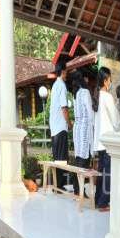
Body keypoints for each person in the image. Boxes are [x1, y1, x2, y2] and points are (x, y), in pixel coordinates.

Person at [93, 67, 120, 212]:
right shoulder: (107, 97)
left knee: (101, 173)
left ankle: (98, 199)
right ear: (105, 80)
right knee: (108, 173)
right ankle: (103, 203)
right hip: (108, 141)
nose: (110, 82)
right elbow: (115, 120)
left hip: (99, 141)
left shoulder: (96, 96)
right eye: (109, 80)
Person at [49, 61, 71, 190]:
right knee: (62, 158)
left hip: (54, 127)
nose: (67, 73)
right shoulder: (62, 85)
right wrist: (69, 123)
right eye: (66, 71)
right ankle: (60, 185)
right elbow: (64, 108)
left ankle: (56, 185)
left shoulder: (54, 85)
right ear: (63, 71)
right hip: (61, 126)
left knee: (57, 157)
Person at [71, 70, 94, 196]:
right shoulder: (85, 92)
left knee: (78, 158)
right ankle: (80, 190)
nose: (87, 80)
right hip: (84, 128)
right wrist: (94, 125)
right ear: (83, 79)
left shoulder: (75, 94)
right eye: (86, 78)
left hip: (77, 127)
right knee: (84, 160)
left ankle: (76, 188)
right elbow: (90, 113)